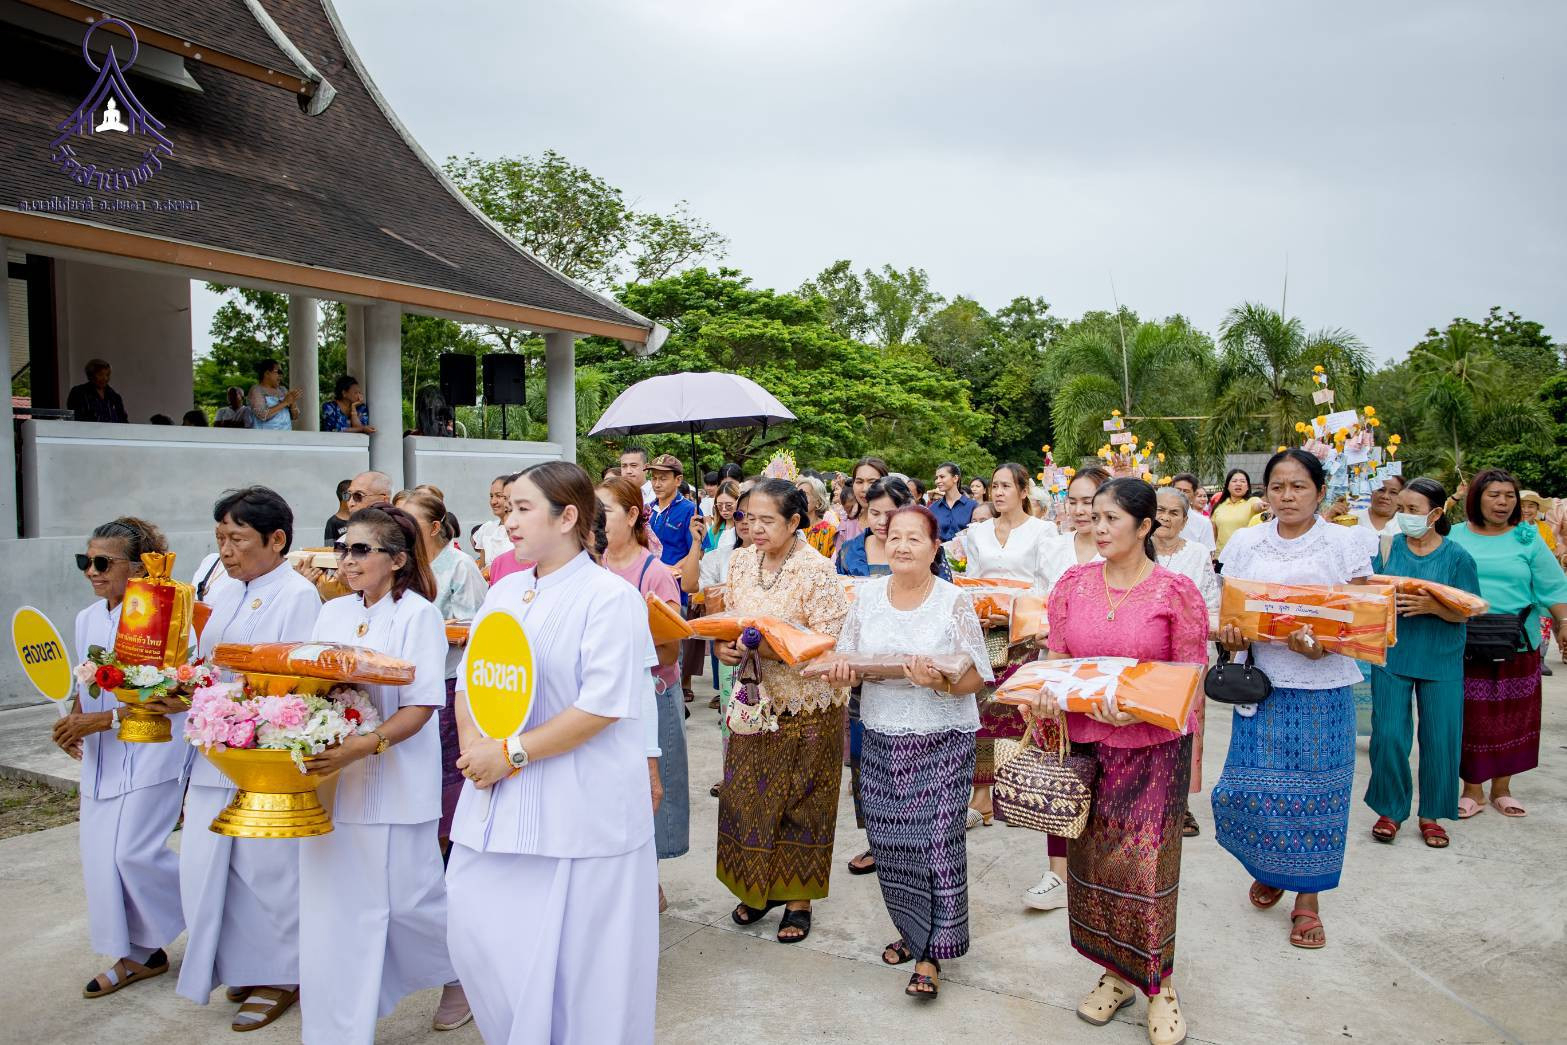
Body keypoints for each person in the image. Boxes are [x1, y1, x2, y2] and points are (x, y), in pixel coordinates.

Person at [446, 462, 658, 1044]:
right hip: (495, 799)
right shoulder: (505, 589)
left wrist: (510, 754)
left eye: (521, 509)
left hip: (579, 809)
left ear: (568, 517)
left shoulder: (610, 598)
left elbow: (603, 705)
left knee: (582, 974)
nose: (508, 520)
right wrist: (474, 748)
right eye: (506, 507)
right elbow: (470, 681)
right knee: (481, 940)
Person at [1028, 478, 1205, 1045]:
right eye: (1093, 517)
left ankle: (1160, 984)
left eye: (1111, 519)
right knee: (1095, 863)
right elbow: (1057, 657)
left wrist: (1143, 708)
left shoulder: (1175, 592)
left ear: (1145, 526)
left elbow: (1190, 676)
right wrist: (1046, 690)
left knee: (1146, 870)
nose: (1097, 528)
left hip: (1152, 750)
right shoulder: (1073, 586)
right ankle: (1114, 974)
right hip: (1085, 744)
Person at [299, 504, 460, 1040]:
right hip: (335, 780)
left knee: (413, 902)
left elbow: (419, 707)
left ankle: (458, 971)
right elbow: (309, 687)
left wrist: (362, 746)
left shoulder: (418, 615)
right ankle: (342, 1021)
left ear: (395, 560)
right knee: (344, 908)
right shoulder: (332, 614)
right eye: (342, 548)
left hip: (396, 776)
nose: (347, 560)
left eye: (360, 549)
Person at [825, 506, 989, 999]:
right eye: (894, 537)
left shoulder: (953, 603)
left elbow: (977, 678)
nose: (901, 546)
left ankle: (931, 954)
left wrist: (940, 681)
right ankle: (913, 929)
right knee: (892, 844)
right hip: (878, 733)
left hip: (942, 737)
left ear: (935, 548)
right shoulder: (868, 597)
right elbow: (847, 656)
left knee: (935, 845)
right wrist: (842, 672)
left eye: (914, 538)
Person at [1212, 449, 1373, 950]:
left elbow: (1366, 620)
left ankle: (1308, 900)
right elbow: (1229, 610)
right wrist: (1231, 638)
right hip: (1261, 686)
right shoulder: (1246, 541)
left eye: (1298, 486)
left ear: (1320, 492)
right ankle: (1270, 866)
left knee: (1317, 797)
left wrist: (1325, 644)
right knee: (1248, 789)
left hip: (1322, 691)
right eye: (1277, 486)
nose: (1286, 496)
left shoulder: (1344, 543)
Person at [178, 488, 321, 1030]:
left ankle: (282, 973)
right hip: (214, 746)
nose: (227, 551)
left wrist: (236, 705)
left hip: (260, 752)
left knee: (266, 870)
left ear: (276, 539)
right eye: (220, 539)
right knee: (208, 865)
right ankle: (242, 960)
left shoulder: (297, 595)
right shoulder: (227, 590)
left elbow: (297, 684)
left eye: (236, 539)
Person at [53, 518, 186, 1000]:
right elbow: (85, 686)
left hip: (153, 751)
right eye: (84, 561)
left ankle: (213, 905)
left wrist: (101, 722)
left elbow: (170, 690)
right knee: (100, 859)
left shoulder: (162, 613)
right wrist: (73, 720)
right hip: (102, 756)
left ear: (137, 567)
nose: (91, 571)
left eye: (102, 562)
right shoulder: (88, 618)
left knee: (132, 852)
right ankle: (139, 953)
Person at [714, 479, 851, 943]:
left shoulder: (816, 571)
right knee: (748, 795)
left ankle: (797, 900)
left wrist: (773, 650)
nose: (754, 528)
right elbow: (732, 621)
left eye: (766, 520)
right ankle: (758, 889)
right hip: (755, 702)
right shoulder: (739, 561)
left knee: (803, 800)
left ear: (794, 523)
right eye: (748, 518)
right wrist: (725, 649)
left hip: (809, 705)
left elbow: (833, 645)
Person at [953, 463, 1070, 910]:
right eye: (994, 485)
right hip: (987, 631)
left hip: (1023, 633)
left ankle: (1007, 788)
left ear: (1024, 491)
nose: (998, 492)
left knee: (1012, 712)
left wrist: (1019, 615)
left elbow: (1046, 586)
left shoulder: (1043, 533)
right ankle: (980, 796)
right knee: (981, 711)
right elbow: (972, 579)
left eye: (1006, 486)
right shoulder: (978, 532)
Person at [1364, 477, 1479, 848]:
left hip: (1442, 658)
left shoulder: (1458, 557)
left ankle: (1432, 814)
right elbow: (1367, 593)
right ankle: (1390, 810)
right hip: (1394, 655)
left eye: (1413, 510)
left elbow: (1470, 611)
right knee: (1389, 736)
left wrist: (1434, 606)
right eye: (1402, 509)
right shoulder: (1387, 547)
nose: (1405, 516)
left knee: (1441, 739)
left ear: (1436, 513)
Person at [1448, 469, 1567, 818]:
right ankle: (1472, 789)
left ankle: (1502, 789)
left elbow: (1553, 586)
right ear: (1477, 499)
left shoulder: (1527, 539)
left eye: (1509, 496)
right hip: (1466, 640)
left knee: (1514, 717)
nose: (1503, 502)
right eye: (1494, 495)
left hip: (1519, 641)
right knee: (1470, 717)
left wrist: (1563, 622)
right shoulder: (1454, 537)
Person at [599, 477, 689, 910]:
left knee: (654, 787)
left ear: (633, 515)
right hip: (604, 697)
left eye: (607, 511)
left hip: (652, 692)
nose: (598, 522)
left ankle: (647, 878)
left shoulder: (653, 572)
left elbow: (671, 647)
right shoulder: (591, 565)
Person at [835, 475, 918, 875]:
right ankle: (877, 840)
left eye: (891, 513)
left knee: (908, 760)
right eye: (875, 513)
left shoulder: (920, 550)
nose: (883, 522)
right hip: (862, 675)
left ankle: (908, 838)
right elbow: (838, 606)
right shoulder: (850, 550)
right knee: (866, 760)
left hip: (913, 674)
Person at [400, 489, 488, 854]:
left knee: (447, 772)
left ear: (435, 527)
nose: (400, 528)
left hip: (449, 679)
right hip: (409, 679)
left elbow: (477, 626)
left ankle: (448, 846)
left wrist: (440, 628)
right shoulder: (401, 563)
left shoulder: (459, 565)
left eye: (410, 522)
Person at [1152, 486, 1220, 836]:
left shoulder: (1195, 553)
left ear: (1184, 519)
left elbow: (1210, 602)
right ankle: (1149, 799)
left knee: (1186, 729)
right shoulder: (1138, 549)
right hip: (1145, 656)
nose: (1164, 517)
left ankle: (1182, 805)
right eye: (1159, 510)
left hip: (1188, 657)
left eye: (1173, 512)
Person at [1039, 467, 1109, 588]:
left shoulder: (1119, 553)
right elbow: (1038, 597)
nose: (1078, 511)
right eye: (1072, 502)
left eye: (1087, 502)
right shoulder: (1052, 548)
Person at [837, 456, 890, 550]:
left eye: (872, 482)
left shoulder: (897, 523)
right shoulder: (846, 525)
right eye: (859, 482)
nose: (865, 489)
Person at [1211, 468, 1264, 554]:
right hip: (1221, 557)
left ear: (1247, 487)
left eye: (1242, 481)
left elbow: (1257, 506)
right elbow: (1213, 535)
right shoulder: (1219, 506)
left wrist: (1262, 506)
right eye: (1234, 481)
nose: (1238, 484)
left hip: (1245, 556)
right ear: (1227, 485)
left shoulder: (1252, 501)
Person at [472, 473, 517, 572]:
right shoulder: (487, 528)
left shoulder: (520, 530)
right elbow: (482, 567)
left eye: (499, 496)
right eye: (491, 496)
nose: (493, 501)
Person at [66, 358, 128, 423]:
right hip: (88, 432)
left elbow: (123, 420)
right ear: (90, 376)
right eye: (100, 375)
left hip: (114, 432)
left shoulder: (114, 397)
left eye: (107, 375)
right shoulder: (78, 393)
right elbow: (76, 419)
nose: (105, 378)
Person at [247, 359, 300, 431]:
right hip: (265, 438)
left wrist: (292, 402)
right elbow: (262, 415)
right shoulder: (256, 390)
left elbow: (295, 417)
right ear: (267, 373)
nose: (281, 375)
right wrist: (285, 402)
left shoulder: (283, 389)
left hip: (285, 437)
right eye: (278, 372)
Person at [931, 462, 977, 542]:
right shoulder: (933, 508)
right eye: (936, 478)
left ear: (955, 478)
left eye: (942, 477)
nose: (937, 481)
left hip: (966, 553)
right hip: (938, 553)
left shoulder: (973, 506)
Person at [1169, 473, 1216, 552]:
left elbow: (1208, 553)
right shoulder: (1159, 517)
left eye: (1186, 491)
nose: (1181, 494)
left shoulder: (1203, 523)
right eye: (1177, 490)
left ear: (1194, 495)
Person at [798, 475, 839, 557]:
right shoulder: (790, 528)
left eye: (804, 494)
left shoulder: (830, 532)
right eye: (797, 493)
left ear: (818, 502)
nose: (799, 498)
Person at [1355, 473, 1405, 537]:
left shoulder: (1406, 525)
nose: (1385, 496)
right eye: (1381, 490)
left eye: (1393, 492)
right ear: (1371, 492)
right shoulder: (1352, 518)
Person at [324, 478, 353, 545]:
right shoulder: (332, 522)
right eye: (350, 495)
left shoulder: (360, 519)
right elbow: (329, 548)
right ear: (344, 496)